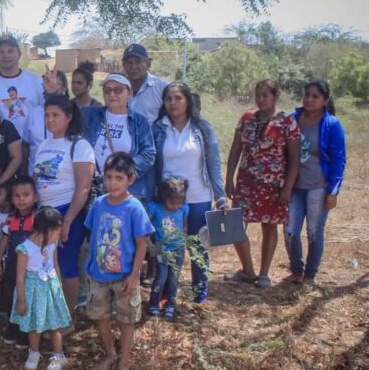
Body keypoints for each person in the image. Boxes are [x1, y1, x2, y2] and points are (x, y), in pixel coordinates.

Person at [147, 83, 229, 303]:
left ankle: (199, 294)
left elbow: (213, 163)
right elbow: (153, 166)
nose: (173, 103)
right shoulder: (158, 129)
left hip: (198, 197)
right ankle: (166, 296)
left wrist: (221, 196)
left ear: (187, 101)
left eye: (178, 98)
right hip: (168, 202)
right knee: (169, 248)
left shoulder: (202, 128)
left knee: (198, 247)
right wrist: (153, 197)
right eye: (168, 99)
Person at [85, 153, 155, 370]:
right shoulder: (98, 204)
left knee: (126, 320)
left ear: (130, 179)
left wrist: (134, 275)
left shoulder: (134, 207)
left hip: (125, 276)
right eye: (108, 177)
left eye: (119, 178)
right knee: (101, 316)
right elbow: (93, 235)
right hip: (98, 274)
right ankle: (110, 353)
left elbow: (142, 243)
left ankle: (124, 364)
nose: (113, 183)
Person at [225, 79, 300, 288]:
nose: (260, 99)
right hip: (246, 183)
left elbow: (294, 159)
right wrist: (229, 178)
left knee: (269, 226)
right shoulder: (247, 118)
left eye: (265, 95)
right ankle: (248, 271)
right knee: (235, 225)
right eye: (257, 95)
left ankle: (264, 273)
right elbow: (235, 150)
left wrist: (287, 188)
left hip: (273, 185)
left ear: (276, 96)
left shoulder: (287, 122)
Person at [33, 95, 94, 318]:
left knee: (67, 265)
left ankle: (67, 318)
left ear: (69, 117)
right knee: (46, 266)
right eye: (47, 115)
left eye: (55, 115)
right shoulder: (44, 145)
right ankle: (50, 314)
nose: (50, 119)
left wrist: (67, 221)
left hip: (67, 212)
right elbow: (37, 178)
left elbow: (83, 187)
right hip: (44, 213)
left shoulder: (80, 145)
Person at [285, 81, 346, 284]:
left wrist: (333, 192)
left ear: (325, 100)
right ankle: (296, 270)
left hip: (318, 187)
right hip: (293, 186)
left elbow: (338, 160)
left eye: (315, 96)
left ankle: (310, 275)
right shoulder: (292, 119)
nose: (309, 99)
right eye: (307, 95)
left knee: (314, 233)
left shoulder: (332, 125)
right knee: (290, 232)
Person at [10, 207, 71, 370]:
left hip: (50, 288)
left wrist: (59, 284)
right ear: (47, 231)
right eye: (56, 233)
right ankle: (34, 352)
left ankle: (58, 355)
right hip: (33, 291)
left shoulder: (52, 244)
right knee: (34, 323)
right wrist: (21, 299)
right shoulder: (25, 248)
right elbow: (20, 276)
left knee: (55, 322)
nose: (57, 236)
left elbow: (55, 264)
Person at [83, 73, 155, 201]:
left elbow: (148, 154)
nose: (112, 94)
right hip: (95, 190)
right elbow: (65, 113)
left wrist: (125, 173)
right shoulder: (91, 115)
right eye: (107, 90)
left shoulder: (139, 122)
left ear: (129, 93)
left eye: (118, 90)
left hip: (127, 191)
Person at [0, 175, 38, 349]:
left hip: (30, 269)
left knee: (27, 298)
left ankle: (24, 335)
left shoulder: (37, 219)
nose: (21, 199)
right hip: (11, 266)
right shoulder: (11, 219)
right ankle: (12, 331)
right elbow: (4, 240)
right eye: (17, 195)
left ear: (35, 197)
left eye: (26, 195)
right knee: (10, 297)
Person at [0, 36, 43, 136]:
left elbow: (48, 110)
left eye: (10, 51)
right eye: (1, 52)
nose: (6, 55)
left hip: (33, 142)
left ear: (19, 54)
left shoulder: (36, 80)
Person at [147, 177, 190, 322]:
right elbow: (146, 226)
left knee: (173, 278)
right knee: (161, 276)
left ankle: (170, 305)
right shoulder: (154, 207)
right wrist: (150, 244)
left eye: (179, 202)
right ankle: (153, 303)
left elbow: (184, 226)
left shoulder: (184, 208)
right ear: (163, 197)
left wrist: (184, 241)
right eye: (172, 202)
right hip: (162, 249)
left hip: (178, 249)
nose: (175, 206)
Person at [22, 68, 69, 173]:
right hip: (35, 176)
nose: (47, 87)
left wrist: (53, 93)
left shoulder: (72, 112)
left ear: (64, 87)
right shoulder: (34, 113)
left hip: (63, 177)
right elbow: (25, 146)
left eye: (54, 82)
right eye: (44, 84)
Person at [121, 43, 170, 125]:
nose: (133, 67)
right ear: (123, 65)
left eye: (138, 62)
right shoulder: (118, 88)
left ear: (148, 63)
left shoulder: (162, 87)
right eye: (129, 63)